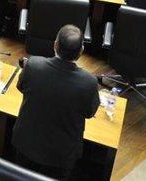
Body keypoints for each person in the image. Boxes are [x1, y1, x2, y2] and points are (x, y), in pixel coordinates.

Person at [12, 25, 99, 180]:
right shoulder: (89, 82)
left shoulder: (33, 65)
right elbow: (89, 112)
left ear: (55, 45)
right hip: (61, 157)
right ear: (81, 52)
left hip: (26, 145)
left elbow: (21, 87)